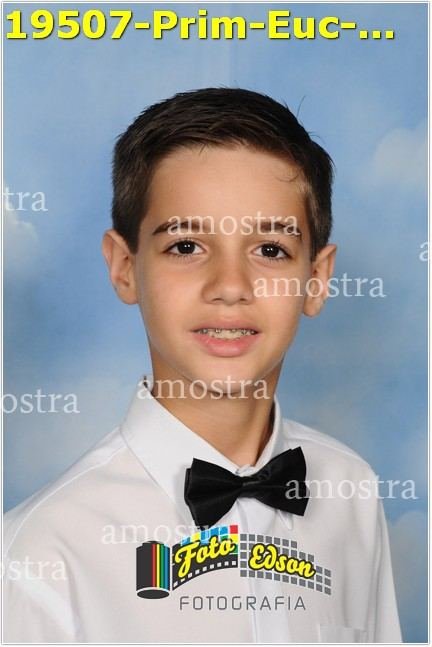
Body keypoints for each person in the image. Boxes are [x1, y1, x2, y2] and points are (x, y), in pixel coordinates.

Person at [3, 87, 401, 643]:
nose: (230, 287)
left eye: (270, 249)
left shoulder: (351, 490)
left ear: (316, 279)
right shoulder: (40, 554)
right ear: (124, 267)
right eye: (186, 246)